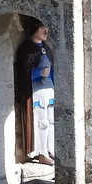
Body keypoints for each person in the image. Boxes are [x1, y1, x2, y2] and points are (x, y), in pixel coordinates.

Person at [14, 22, 54, 165]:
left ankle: (51, 150)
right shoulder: (26, 49)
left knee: (52, 119)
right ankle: (42, 153)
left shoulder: (45, 47)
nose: (45, 31)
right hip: (36, 90)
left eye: (46, 27)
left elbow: (52, 66)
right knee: (42, 122)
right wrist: (38, 73)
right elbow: (23, 71)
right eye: (42, 28)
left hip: (49, 89)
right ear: (34, 30)